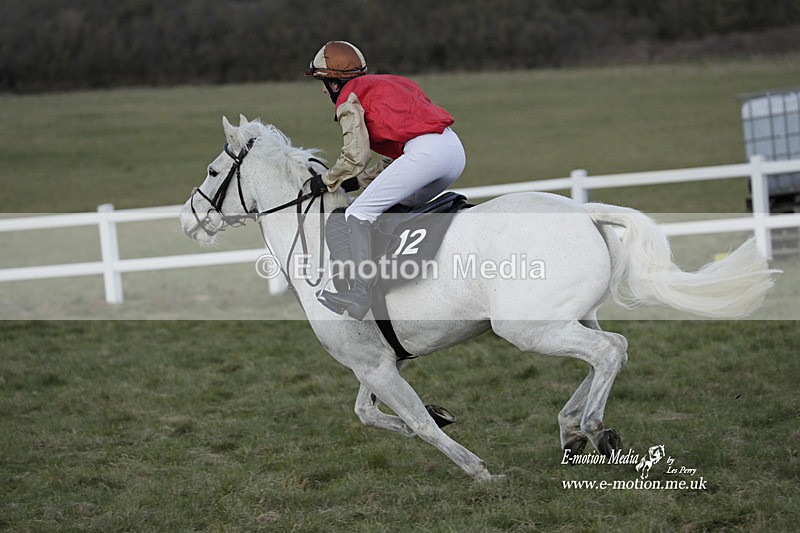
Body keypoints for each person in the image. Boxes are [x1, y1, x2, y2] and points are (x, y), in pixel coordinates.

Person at [306, 40, 466, 320]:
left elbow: (356, 155)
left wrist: (327, 180)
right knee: (392, 211)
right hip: (453, 151)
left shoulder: (348, 98)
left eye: (323, 82)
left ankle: (359, 294)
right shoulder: (390, 83)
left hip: (426, 154)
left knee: (358, 213)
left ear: (334, 82)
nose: (322, 90)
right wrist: (357, 182)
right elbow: (398, 158)